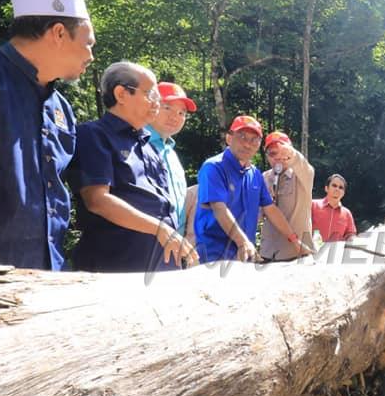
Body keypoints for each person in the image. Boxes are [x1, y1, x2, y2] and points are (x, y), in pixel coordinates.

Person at [0, 0, 95, 269]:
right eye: (88, 43)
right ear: (58, 33)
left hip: (45, 275)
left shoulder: (62, 109)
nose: (91, 56)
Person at [69, 62, 197, 272]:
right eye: (150, 93)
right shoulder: (94, 135)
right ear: (121, 94)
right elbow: (97, 200)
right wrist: (159, 229)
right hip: (116, 266)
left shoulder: (148, 146)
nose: (156, 101)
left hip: (161, 265)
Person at [194, 115, 301, 263]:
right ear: (229, 138)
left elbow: (271, 209)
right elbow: (219, 209)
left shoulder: (255, 174)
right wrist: (243, 242)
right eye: (242, 137)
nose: (247, 144)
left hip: (244, 257)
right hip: (214, 255)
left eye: (254, 140)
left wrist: (296, 242)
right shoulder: (213, 167)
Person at [148, 82, 196, 230]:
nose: (175, 116)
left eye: (182, 113)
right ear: (151, 105)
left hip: (172, 246)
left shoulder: (171, 154)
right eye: (167, 107)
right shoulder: (135, 145)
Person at [260, 131, 314, 261]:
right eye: (273, 153)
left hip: (297, 254)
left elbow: (304, 166)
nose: (278, 157)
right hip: (268, 254)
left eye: (282, 153)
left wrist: (291, 154)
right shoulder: (264, 178)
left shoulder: (302, 176)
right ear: (267, 156)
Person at [311, 174, 357, 242]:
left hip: (335, 252)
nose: (337, 189)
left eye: (341, 187)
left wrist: (352, 239)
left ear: (343, 193)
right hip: (312, 250)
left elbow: (350, 234)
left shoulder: (347, 213)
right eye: (334, 185)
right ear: (326, 188)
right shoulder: (313, 205)